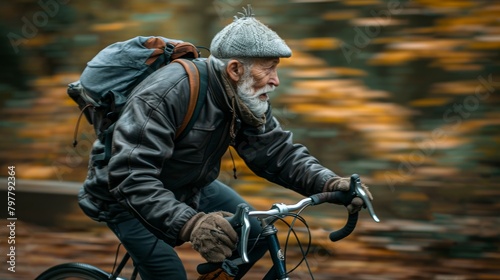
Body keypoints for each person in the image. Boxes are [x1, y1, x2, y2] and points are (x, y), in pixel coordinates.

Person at [78, 5, 373, 280]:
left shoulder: (244, 97)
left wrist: (330, 184)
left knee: (254, 236)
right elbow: (131, 176)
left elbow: (276, 152)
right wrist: (191, 224)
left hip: (189, 185)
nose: (275, 80)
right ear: (235, 69)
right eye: (268, 68)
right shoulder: (167, 93)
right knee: (170, 275)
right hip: (126, 196)